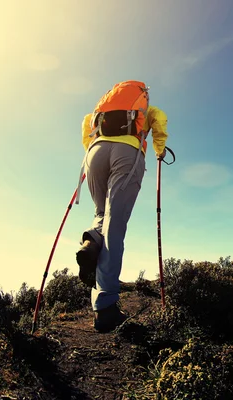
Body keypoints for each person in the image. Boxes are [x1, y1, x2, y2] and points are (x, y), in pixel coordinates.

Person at [76, 85, 168, 333]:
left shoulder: (101, 109)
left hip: (95, 153)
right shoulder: (147, 110)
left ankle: (92, 240)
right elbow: (160, 123)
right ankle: (106, 308)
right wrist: (159, 152)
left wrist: (91, 155)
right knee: (115, 226)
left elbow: (87, 127)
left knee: (101, 214)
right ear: (143, 96)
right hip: (127, 152)